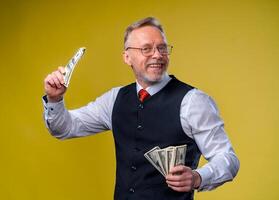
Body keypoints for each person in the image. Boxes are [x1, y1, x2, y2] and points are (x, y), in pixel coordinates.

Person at [43, 17, 239, 200]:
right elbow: (65, 128)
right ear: (127, 57)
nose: (157, 55)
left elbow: (227, 159)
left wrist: (198, 177)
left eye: (162, 48)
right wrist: (55, 99)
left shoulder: (193, 102)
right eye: (146, 49)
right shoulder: (114, 99)